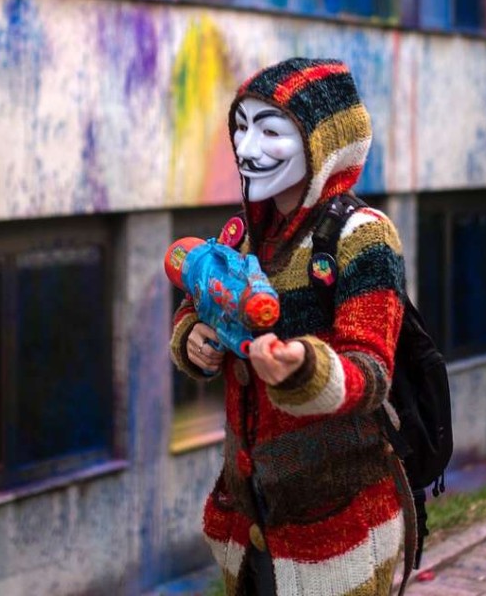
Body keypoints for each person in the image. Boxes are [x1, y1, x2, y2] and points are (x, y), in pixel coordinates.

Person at [170, 58, 410, 596]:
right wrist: (192, 339)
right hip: (248, 521)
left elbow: (370, 371)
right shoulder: (240, 238)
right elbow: (195, 307)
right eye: (241, 126)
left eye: (271, 131)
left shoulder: (362, 237)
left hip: (336, 531)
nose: (246, 148)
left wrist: (304, 369)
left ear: (325, 144)